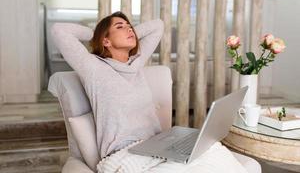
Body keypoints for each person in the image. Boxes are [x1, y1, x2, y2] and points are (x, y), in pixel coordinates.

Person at [51, 12, 249, 173]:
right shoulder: (93, 67)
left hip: (158, 144)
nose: (129, 29)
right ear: (106, 41)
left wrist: (124, 30)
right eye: (120, 27)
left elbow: (158, 25)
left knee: (215, 150)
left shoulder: (135, 63)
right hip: (123, 152)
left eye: (130, 26)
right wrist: (97, 33)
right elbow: (59, 31)